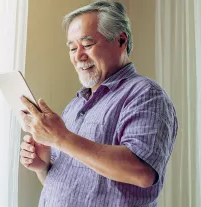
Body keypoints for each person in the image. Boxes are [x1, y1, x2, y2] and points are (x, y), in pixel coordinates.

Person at [18, 1, 178, 207]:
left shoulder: (146, 94)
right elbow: (65, 181)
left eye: (87, 45)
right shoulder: (75, 105)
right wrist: (43, 166)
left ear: (121, 40)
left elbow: (141, 172)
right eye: (72, 48)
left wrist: (60, 137)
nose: (78, 56)